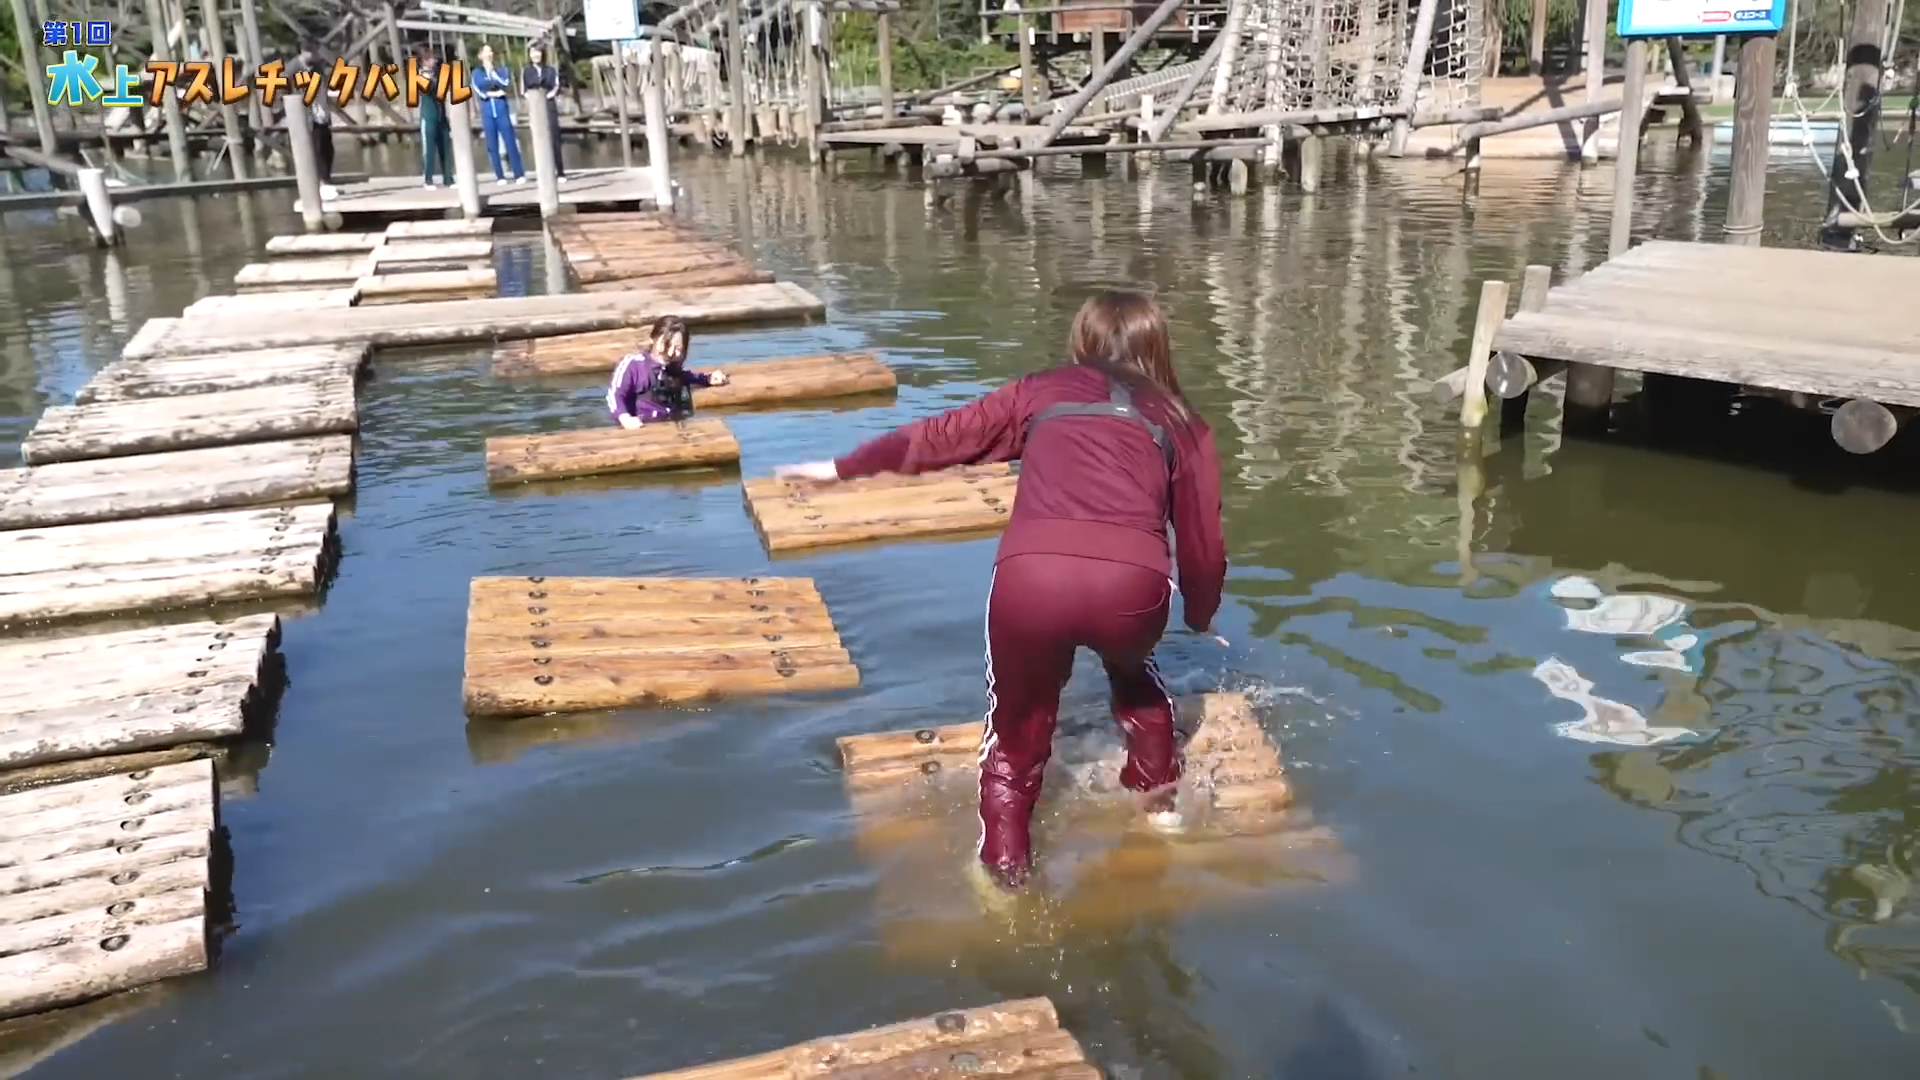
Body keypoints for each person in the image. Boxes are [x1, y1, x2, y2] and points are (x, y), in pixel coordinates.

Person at [772, 291, 1227, 893]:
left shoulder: (1040, 391)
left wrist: (842, 467)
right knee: (1133, 668)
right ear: (1158, 347)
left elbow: (940, 436)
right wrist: (1199, 613)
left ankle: (1004, 871)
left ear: (1083, 341)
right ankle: (1160, 805)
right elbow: (1202, 542)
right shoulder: (1183, 422)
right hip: (1132, 586)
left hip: (1032, 578)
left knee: (1016, 728)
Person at [606, 317, 730, 427]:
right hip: (640, 428)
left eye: (678, 349)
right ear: (653, 339)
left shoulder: (672, 368)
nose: (670, 353)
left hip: (669, 425)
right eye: (666, 345)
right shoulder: (632, 365)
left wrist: (708, 378)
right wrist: (624, 417)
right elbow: (615, 394)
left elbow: (687, 376)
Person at [471, 44, 525, 184]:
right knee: (492, 144)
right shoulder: (477, 72)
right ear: (480, 56)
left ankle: (519, 173)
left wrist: (493, 75)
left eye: (490, 52)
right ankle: (500, 176)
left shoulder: (501, 70)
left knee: (510, 141)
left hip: (502, 109)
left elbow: (504, 83)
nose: (489, 54)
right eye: (486, 52)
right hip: (488, 111)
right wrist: (491, 92)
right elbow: (478, 87)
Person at [520, 43, 566, 182]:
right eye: (533, 52)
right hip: (534, 105)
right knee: (538, 138)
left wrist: (547, 96)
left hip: (549, 103)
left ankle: (560, 171)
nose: (536, 55)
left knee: (554, 137)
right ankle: (544, 172)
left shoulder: (550, 70)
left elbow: (556, 86)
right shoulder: (526, 71)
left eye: (538, 52)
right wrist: (533, 99)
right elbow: (523, 90)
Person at [296, 41, 337, 195]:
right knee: (316, 150)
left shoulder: (317, 67)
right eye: (313, 52)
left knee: (328, 150)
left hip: (321, 114)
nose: (316, 55)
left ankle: (326, 180)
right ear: (303, 51)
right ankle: (321, 183)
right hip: (307, 117)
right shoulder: (294, 69)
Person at [416, 46, 453, 188]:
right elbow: (429, 90)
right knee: (429, 150)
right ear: (424, 61)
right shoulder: (419, 77)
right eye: (431, 59)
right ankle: (428, 180)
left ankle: (448, 179)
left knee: (445, 148)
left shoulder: (437, 75)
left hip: (441, 116)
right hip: (428, 116)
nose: (435, 61)